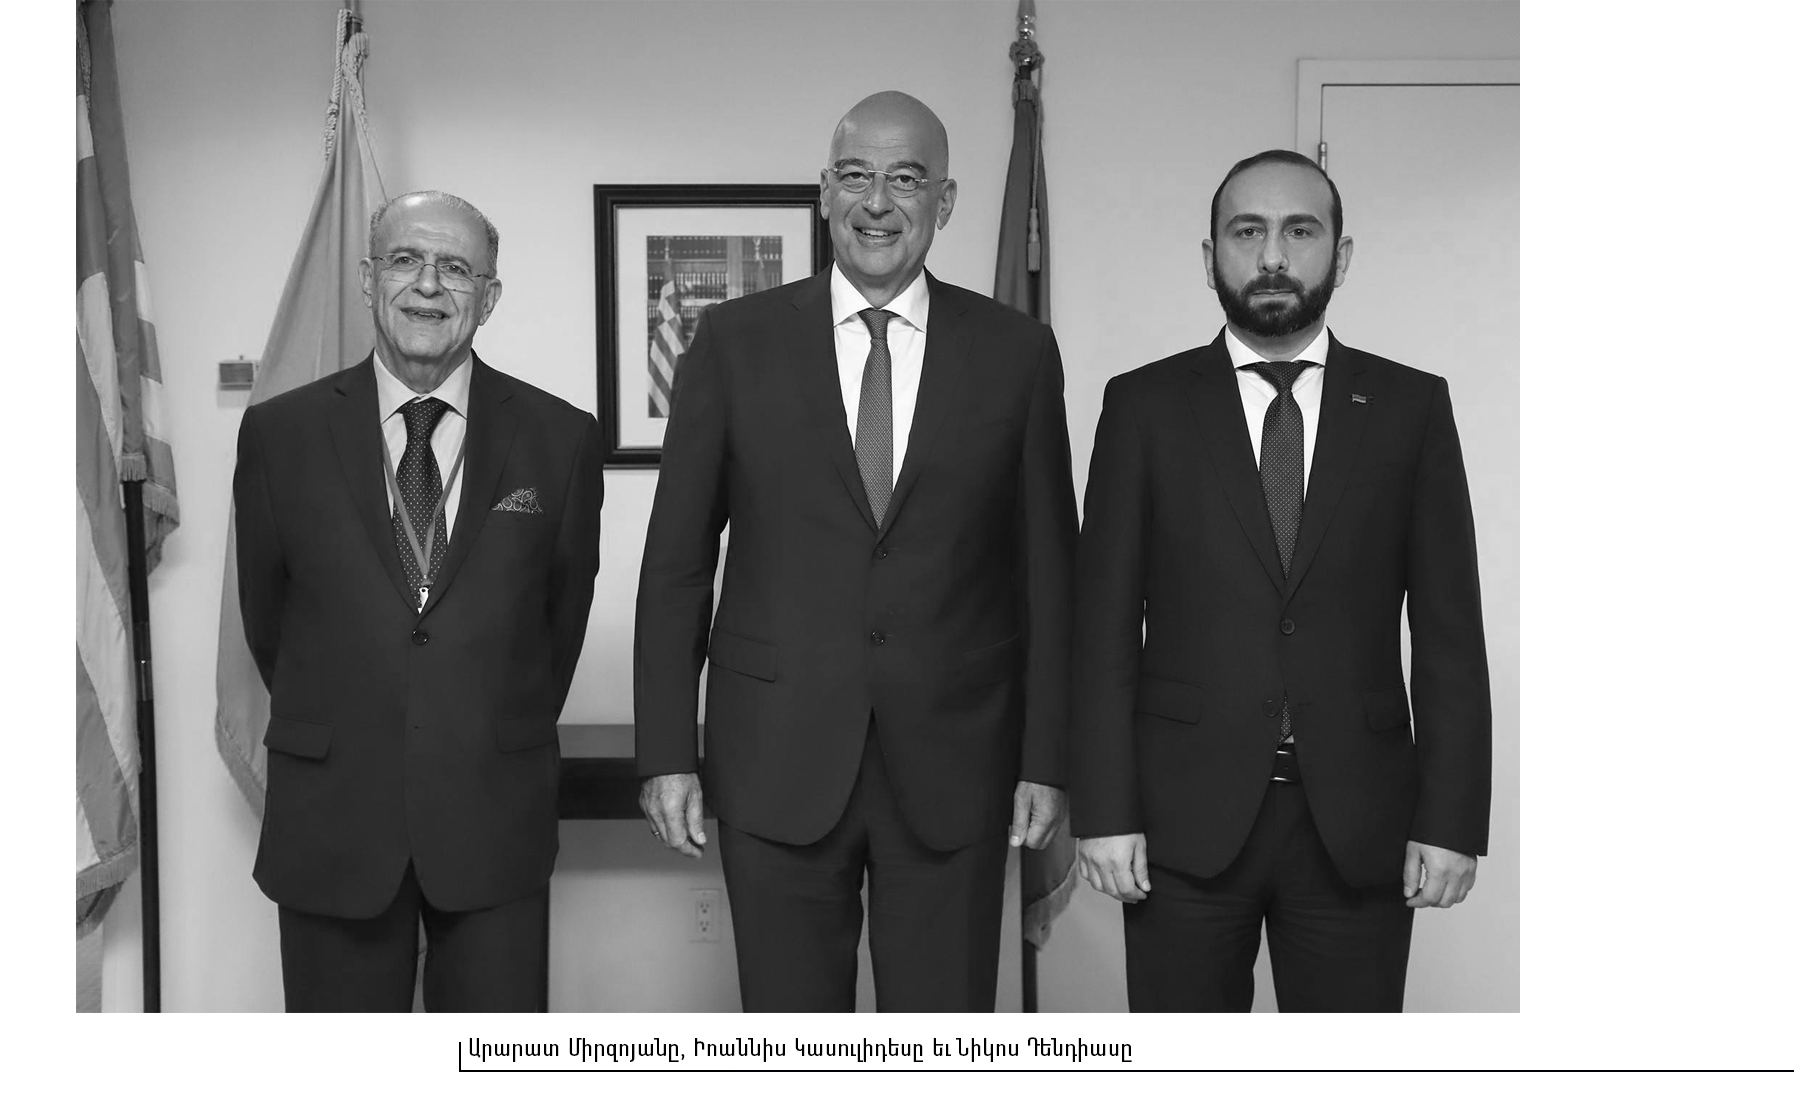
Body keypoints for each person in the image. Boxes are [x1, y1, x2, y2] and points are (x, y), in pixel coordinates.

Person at [634, 91, 1078, 1011]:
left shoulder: (1018, 354)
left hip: (956, 766)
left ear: (945, 201)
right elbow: (677, 564)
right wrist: (667, 751)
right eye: (856, 176)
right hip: (775, 760)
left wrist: (1046, 757)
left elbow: (1049, 574)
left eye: (905, 179)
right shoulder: (732, 343)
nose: (878, 202)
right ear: (824, 192)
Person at [1070, 150, 1492, 1011]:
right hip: (1182, 822)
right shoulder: (1143, 407)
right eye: (1247, 232)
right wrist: (1104, 811)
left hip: (1359, 823)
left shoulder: (1411, 407)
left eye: (1300, 231)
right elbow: (1102, 627)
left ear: (1341, 254)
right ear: (1210, 257)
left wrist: (1451, 822)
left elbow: (1450, 631)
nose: (1272, 256)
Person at [232, 191, 603, 1011]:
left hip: (493, 817)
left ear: (489, 297)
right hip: (334, 818)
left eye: (456, 268)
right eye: (406, 260)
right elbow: (269, 621)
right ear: (370, 280)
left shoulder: (561, 439)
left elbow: (558, 627)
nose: (428, 285)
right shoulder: (279, 436)